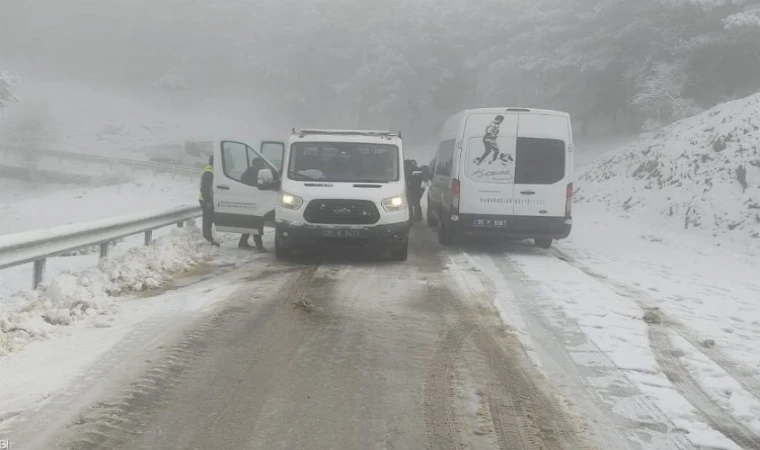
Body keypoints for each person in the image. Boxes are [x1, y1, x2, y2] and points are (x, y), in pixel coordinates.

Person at [238, 159, 268, 252]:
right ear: (255, 164)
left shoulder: (251, 172)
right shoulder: (251, 173)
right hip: (253, 201)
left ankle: (243, 242)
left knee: (250, 223)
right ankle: (259, 246)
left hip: (254, 201)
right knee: (257, 223)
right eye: (261, 164)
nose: (262, 166)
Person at [198, 155, 220, 247]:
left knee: (209, 220)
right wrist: (208, 201)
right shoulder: (209, 172)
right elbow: (205, 189)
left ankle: (208, 239)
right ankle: (208, 240)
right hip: (206, 200)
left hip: (208, 199)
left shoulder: (211, 170)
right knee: (207, 221)